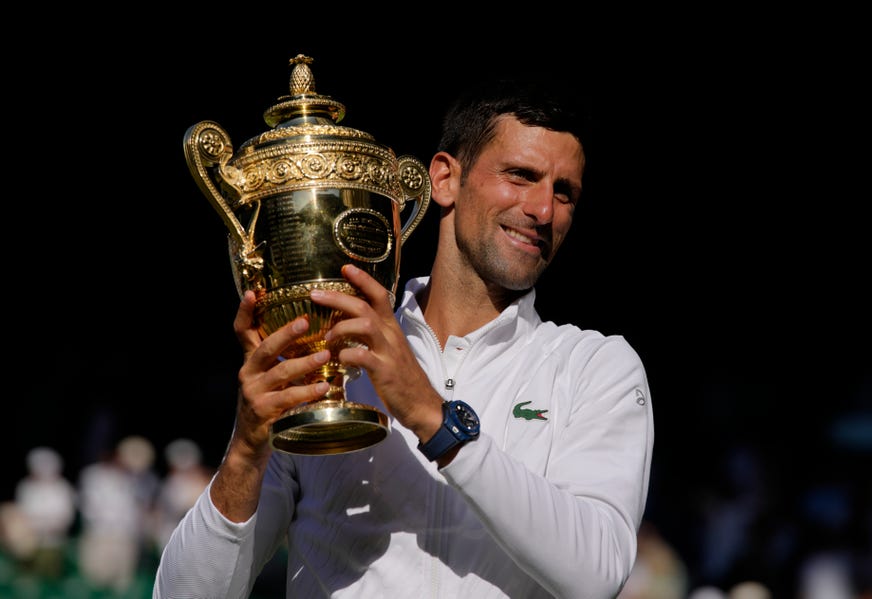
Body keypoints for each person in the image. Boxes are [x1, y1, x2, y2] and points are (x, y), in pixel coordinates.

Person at [154, 74, 654, 599]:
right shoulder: (328, 358)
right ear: (444, 180)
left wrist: (433, 417)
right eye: (520, 176)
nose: (543, 210)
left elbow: (597, 573)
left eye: (564, 192)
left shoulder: (596, 366)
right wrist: (247, 447)